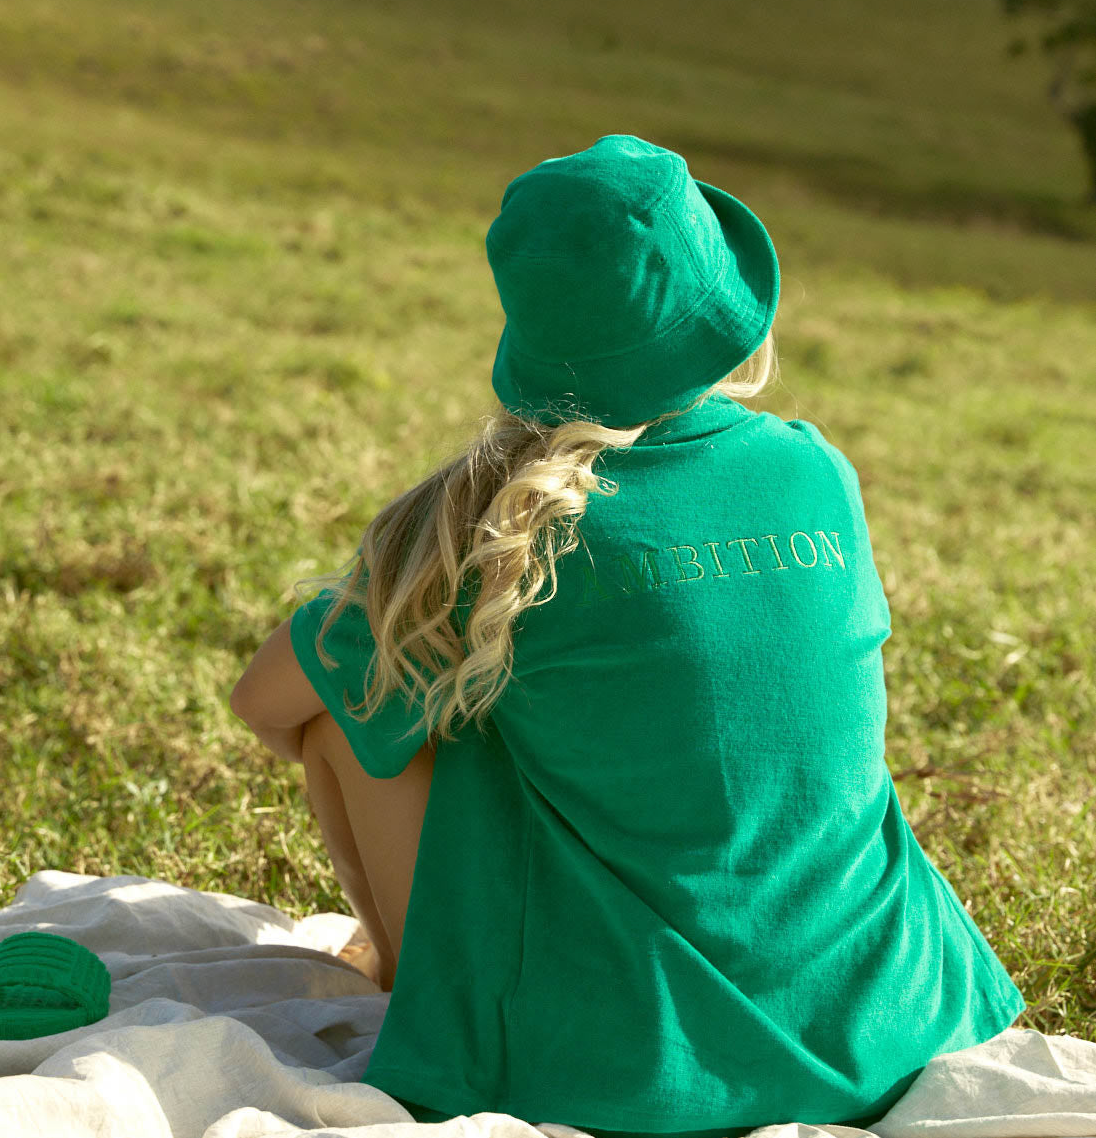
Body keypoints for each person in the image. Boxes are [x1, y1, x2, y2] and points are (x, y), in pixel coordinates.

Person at [284, 133, 1026, 1137]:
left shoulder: (496, 526)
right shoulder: (818, 470)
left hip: (622, 1069)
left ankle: (419, 990)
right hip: (891, 1019)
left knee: (357, 708)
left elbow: (267, 698)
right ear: (724, 312)